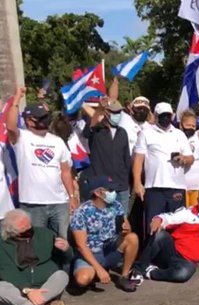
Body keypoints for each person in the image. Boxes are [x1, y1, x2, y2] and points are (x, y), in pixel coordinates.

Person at [6, 87, 78, 238]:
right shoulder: (22, 138)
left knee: (61, 242)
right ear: (29, 121)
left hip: (59, 203)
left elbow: (65, 171)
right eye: (41, 117)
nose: (45, 120)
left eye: (46, 116)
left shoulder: (57, 141)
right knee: (37, 242)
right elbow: (11, 126)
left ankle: (61, 263)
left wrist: (71, 196)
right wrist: (17, 99)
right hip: (33, 204)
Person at [135, 186, 199, 282]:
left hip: (187, 261)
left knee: (182, 274)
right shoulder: (188, 212)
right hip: (171, 252)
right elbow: (169, 218)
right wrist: (159, 219)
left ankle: (151, 273)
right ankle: (137, 270)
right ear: (198, 200)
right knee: (160, 235)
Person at [132, 102, 194, 238]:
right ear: (155, 116)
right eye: (162, 116)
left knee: (176, 224)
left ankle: (173, 256)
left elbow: (191, 158)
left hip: (176, 187)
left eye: (168, 115)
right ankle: (151, 256)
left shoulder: (179, 134)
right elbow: (138, 159)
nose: (166, 118)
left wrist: (183, 159)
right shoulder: (146, 133)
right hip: (154, 187)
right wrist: (137, 183)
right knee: (152, 225)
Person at [0, 210, 71, 305]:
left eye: (29, 226)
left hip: (46, 285)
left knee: (62, 276)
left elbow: (66, 259)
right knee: (1, 287)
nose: (29, 230)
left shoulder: (45, 234)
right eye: (24, 229)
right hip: (19, 289)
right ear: (12, 232)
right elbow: (7, 272)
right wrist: (27, 290)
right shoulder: (2, 245)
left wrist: (66, 249)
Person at [71, 176, 140, 292]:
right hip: (91, 253)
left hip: (110, 249)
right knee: (82, 280)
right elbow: (81, 246)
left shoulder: (116, 206)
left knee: (132, 238)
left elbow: (127, 229)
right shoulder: (82, 212)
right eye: (110, 190)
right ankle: (93, 273)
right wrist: (98, 269)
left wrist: (126, 230)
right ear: (98, 192)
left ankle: (124, 276)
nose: (113, 193)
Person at [82, 99, 132, 211]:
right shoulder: (96, 131)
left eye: (119, 112)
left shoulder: (122, 132)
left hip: (121, 186)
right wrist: (99, 109)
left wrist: (127, 181)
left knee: (122, 222)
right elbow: (91, 126)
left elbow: (126, 159)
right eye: (114, 113)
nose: (117, 115)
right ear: (106, 112)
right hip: (102, 187)